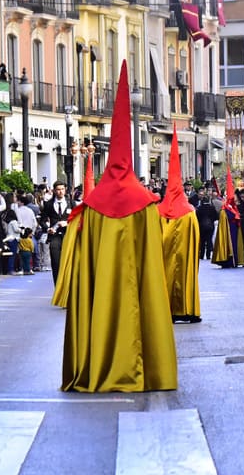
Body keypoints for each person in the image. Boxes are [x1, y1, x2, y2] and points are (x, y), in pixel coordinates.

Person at [62, 61, 177, 393]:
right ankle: (147, 369)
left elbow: (84, 267)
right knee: (144, 295)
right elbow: (153, 262)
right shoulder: (145, 204)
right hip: (136, 298)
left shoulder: (93, 205)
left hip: (101, 299)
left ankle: (98, 365)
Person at [158, 127, 201, 324]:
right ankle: (187, 308)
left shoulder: (159, 213)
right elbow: (196, 241)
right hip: (185, 257)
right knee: (185, 274)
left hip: (164, 257)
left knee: (165, 274)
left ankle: (166, 309)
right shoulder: (190, 212)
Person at [41, 180, 72, 285]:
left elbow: (79, 219)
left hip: (69, 236)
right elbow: (43, 220)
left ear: (65, 189)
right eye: (58, 189)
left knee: (69, 263)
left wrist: (67, 223)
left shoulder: (71, 203)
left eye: (62, 189)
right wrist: (47, 228)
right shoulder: (48, 204)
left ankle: (69, 288)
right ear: (54, 191)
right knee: (56, 263)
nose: (60, 192)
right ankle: (58, 288)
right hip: (54, 237)